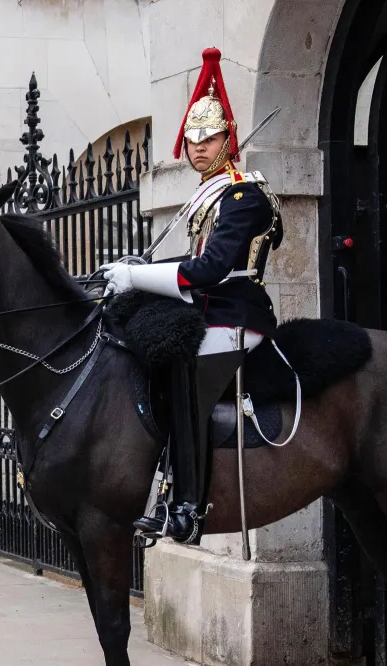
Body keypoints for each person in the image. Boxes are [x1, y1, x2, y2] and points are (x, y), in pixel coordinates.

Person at [102, 47, 283, 543]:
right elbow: (189, 268)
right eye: (193, 140)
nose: (199, 147)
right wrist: (137, 269)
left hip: (237, 317)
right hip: (208, 312)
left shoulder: (243, 196)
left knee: (185, 373)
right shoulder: (209, 196)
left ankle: (187, 506)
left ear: (229, 139)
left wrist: (139, 279)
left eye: (210, 138)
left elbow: (209, 269)